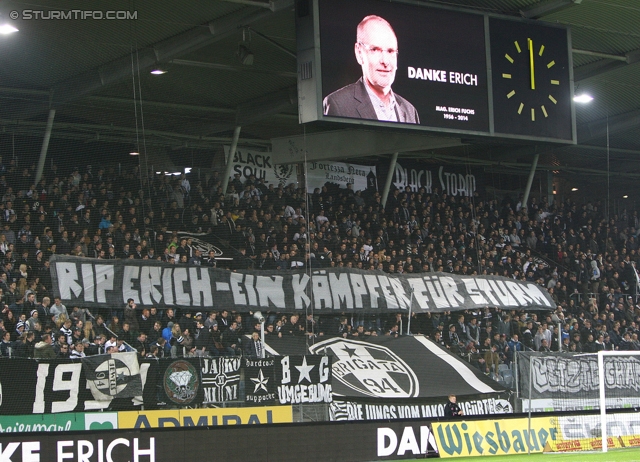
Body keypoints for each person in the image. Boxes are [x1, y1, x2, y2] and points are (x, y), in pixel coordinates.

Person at [323, 15, 419, 124]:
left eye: (391, 51)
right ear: (359, 52)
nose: (385, 61)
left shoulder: (410, 111)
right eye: (375, 50)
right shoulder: (339, 105)